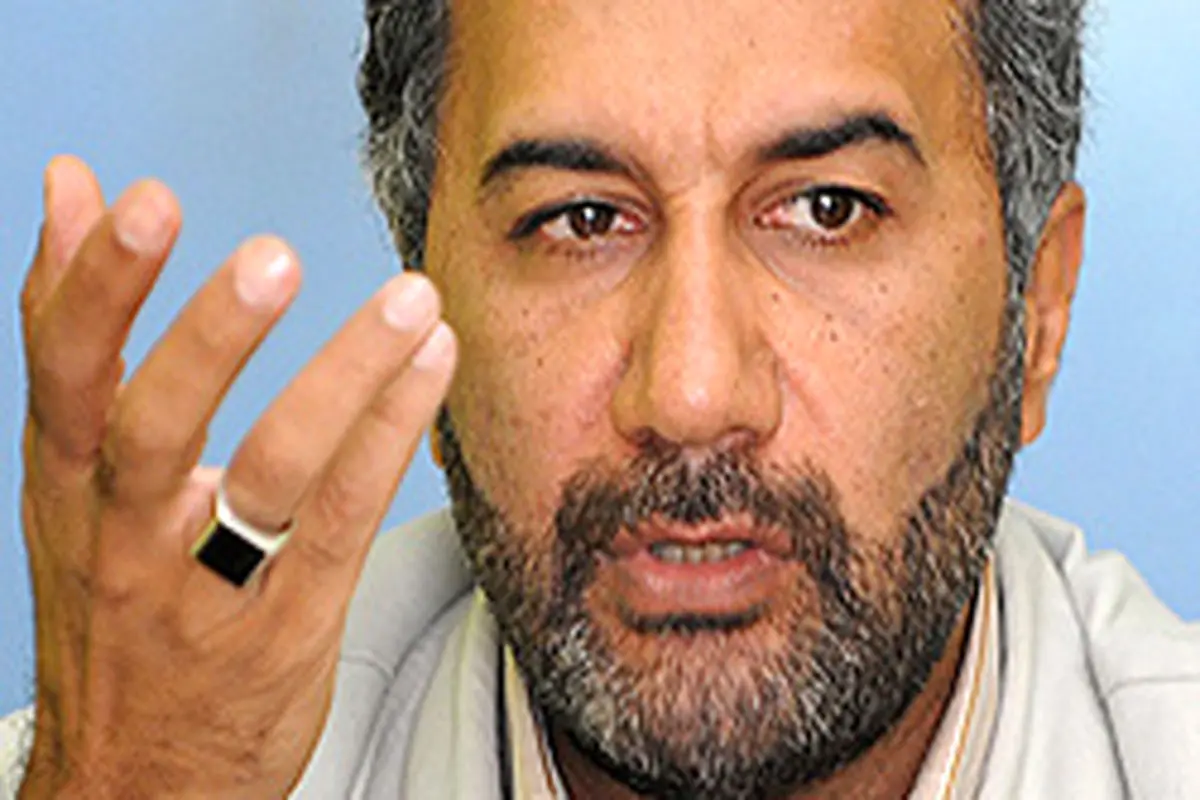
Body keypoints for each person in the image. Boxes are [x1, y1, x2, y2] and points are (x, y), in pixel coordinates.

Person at [3, 0, 1199, 797]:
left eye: (827, 209)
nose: (689, 392)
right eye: (579, 220)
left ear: (1038, 315)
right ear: (427, 301)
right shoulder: (160, 759)